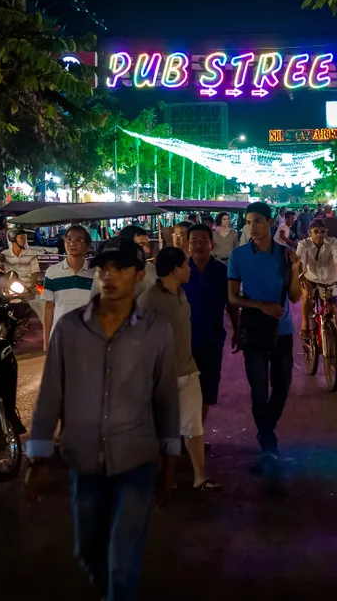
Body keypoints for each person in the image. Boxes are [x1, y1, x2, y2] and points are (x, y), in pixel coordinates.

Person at [24, 237, 180, 601]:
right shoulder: (70, 329)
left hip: (136, 459)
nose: (109, 276)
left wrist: (169, 456)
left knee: (122, 563)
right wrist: (37, 457)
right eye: (103, 268)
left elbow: (165, 396)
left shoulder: (156, 330)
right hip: (84, 461)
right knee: (88, 552)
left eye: (120, 268)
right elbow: (51, 395)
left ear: (139, 274)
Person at [139, 247, 222, 493]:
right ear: (175, 270)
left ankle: (200, 477)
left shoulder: (182, 293)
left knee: (194, 426)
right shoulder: (149, 300)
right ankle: (164, 478)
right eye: (186, 265)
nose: (190, 268)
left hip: (188, 370)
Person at [227, 202, 302, 471]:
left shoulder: (285, 255)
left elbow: (294, 296)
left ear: (271, 222)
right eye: (249, 221)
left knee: (281, 388)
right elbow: (232, 297)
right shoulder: (238, 256)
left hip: (282, 331)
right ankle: (269, 444)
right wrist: (260, 305)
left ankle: (265, 432)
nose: (253, 226)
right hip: (255, 331)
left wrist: (295, 271)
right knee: (258, 391)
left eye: (258, 220)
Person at [183, 223, 239, 431]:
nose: (198, 245)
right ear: (188, 245)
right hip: (183, 342)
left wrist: (236, 330)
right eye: (193, 241)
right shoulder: (181, 271)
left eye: (202, 241)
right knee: (184, 391)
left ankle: (196, 434)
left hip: (212, 339)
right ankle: (185, 438)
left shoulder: (222, 272)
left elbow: (231, 304)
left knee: (207, 391)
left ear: (211, 244)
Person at [41, 225, 95, 351]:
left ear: (87, 246)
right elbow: (48, 308)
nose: (72, 243)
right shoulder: (52, 272)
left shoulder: (95, 273)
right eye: (68, 239)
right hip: (60, 336)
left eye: (78, 240)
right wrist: (46, 340)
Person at [298, 219, 337, 339]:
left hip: (329, 282)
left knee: (333, 313)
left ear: (326, 232)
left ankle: (333, 342)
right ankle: (305, 325)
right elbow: (299, 261)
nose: (319, 235)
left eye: (322, 232)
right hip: (310, 280)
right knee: (305, 295)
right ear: (310, 232)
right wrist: (300, 277)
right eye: (316, 232)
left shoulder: (332, 242)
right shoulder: (304, 244)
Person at [91, 225, 157, 299]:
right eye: (141, 246)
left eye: (148, 245)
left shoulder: (152, 270)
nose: (147, 250)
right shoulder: (104, 274)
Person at [0, 227, 43, 322]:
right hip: (11, 287)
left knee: (43, 306)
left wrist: (32, 286)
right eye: (21, 237)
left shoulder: (31, 254)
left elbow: (35, 272)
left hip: (28, 288)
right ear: (13, 239)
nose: (24, 240)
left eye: (25, 237)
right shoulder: (5, 254)